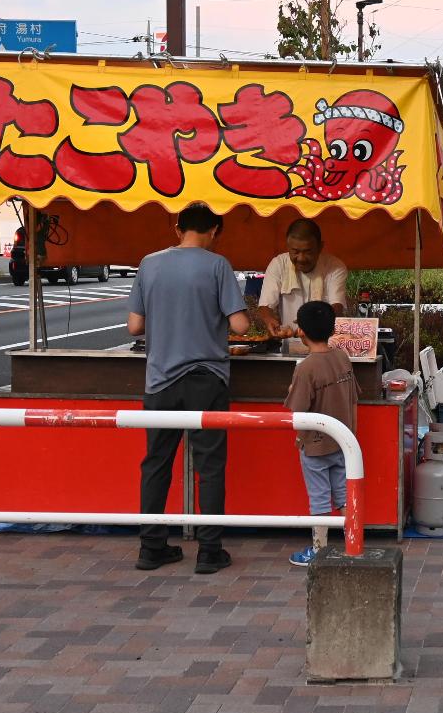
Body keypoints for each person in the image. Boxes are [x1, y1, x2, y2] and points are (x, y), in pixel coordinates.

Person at [126, 203, 252, 574]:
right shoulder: (217, 265)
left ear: (177, 228)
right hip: (205, 379)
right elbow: (242, 327)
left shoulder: (149, 264)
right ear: (214, 230)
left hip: (160, 381)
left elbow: (135, 326)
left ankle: (151, 548)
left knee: (156, 463)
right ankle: (209, 552)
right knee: (210, 465)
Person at [284, 301, 360, 567]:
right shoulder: (342, 357)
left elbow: (297, 411)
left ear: (300, 331)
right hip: (344, 441)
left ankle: (319, 550)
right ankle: (354, 542)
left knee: (318, 498)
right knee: (344, 493)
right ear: (332, 328)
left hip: (315, 446)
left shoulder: (305, 369)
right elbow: (353, 398)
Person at [254, 217, 348, 345]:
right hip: (289, 344)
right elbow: (264, 306)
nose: (301, 258)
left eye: (308, 252)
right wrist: (269, 319)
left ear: (320, 247)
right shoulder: (278, 264)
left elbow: (337, 307)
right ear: (288, 247)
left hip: (324, 345)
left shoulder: (335, 267)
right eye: (295, 252)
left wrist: (311, 322)